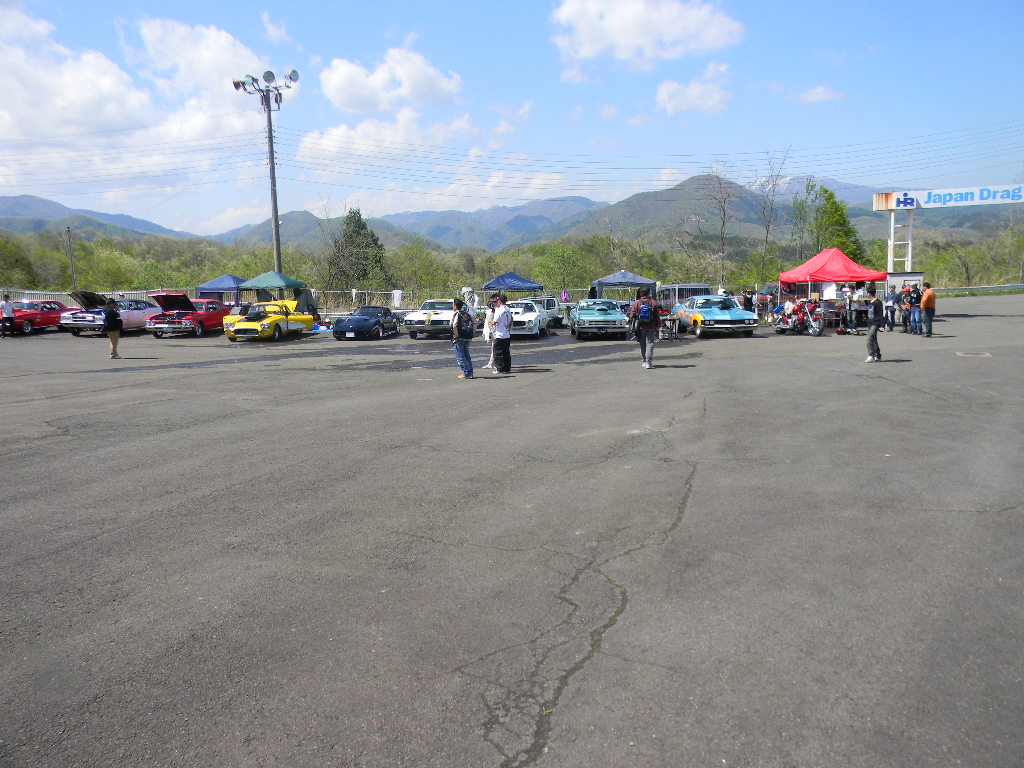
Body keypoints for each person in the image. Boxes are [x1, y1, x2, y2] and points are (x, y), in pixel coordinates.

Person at [629, 287, 662, 369]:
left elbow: (632, 314)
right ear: (648, 293)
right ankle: (648, 362)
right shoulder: (653, 302)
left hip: (640, 326)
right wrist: (658, 325)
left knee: (642, 344)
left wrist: (630, 322)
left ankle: (644, 361)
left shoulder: (637, 302)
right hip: (651, 326)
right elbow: (657, 315)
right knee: (650, 343)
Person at [449, 298, 474, 379]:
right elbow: (474, 323)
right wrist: (471, 333)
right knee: (466, 355)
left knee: (460, 356)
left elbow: (454, 325)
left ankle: (467, 373)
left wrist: (455, 335)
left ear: (455, 306)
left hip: (459, 338)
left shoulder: (456, 314)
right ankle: (470, 372)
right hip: (467, 337)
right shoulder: (467, 314)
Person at [490, 293, 512, 374]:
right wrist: (508, 328)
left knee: (498, 352)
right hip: (507, 334)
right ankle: (507, 368)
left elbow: (494, 322)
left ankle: (500, 368)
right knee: (506, 352)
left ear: (499, 301)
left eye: (495, 302)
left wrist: (489, 320)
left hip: (500, 334)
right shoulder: (507, 309)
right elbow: (511, 320)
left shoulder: (499, 310)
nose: (494, 304)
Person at [864, 288, 883, 363]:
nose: (866, 294)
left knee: (869, 338)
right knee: (874, 339)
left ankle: (870, 355)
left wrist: (882, 325)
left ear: (869, 293)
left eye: (867, 293)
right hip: (870, 322)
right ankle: (877, 355)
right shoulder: (869, 302)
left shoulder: (878, 302)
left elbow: (881, 314)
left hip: (876, 323)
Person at [481, 301, 497, 370]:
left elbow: (490, 323)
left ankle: (493, 363)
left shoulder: (489, 313)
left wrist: (490, 332)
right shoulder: (494, 312)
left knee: (494, 349)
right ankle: (491, 363)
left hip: (494, 333)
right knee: (494, 348)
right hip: (494, 332)